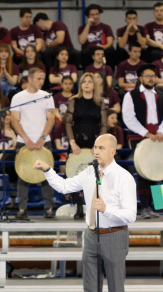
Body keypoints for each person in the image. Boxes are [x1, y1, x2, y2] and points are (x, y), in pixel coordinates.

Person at [33, 133, 136, 292]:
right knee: (91, 291)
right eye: (94, 147)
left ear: (112, 151)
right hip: (91, 236)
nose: (95, 151)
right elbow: (64, 186)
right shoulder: (89, 172)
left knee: (116, 291)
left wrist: (107, 209)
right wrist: (48, 170)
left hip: (115, 235)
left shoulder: (124, 177)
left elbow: (131, 215)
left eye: (100, 148)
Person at [122, 64, 163, 219]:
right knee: (144, 171)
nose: (151, 79)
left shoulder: (162, 96)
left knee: (157, 170)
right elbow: (129, 118)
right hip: (140, 137)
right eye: (148, 76)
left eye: (153, 76)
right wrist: (145, 133)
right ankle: (144, 206)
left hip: (158, 137)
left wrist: (160, 131)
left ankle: (156, 205)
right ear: (141, 78)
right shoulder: (131, 95)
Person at [9, 68, 56, 219]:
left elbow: (51, 118)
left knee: (47, 176)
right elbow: (15, 120)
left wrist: (42, 138)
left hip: (44, 141)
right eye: (38, 78)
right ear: (29, 79)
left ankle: (49, 208)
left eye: (43, 79)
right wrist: (26, 139)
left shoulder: (47, 96)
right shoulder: (18, 97)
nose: (41, 81)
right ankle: (22, 209)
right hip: (24, 141)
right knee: (23, 176)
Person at [63, 72, 107, 218]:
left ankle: (93, 207)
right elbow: (68, 124)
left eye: (89, 81)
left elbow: (104, 125)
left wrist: (99, 144)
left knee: (95, 176)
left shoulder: (100, 103)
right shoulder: (74, 101)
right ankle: (78, 208)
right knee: (75, 174)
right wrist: (72, 142)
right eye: (84, 82)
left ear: (94, 84)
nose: (86, 84)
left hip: (94, 143)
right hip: (77, 142)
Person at [78, 4, 116, 69]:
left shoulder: (106, 27)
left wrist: (103, 47)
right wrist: (88, 25)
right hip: (89, 51)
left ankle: (109, 72)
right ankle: (88, 72)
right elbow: (81, 41)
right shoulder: (82, 28)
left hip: (103, 50)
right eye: (92, 15)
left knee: (110, 51)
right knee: (84, 53)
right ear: (88, 16)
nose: (95, 17)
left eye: (97, 14)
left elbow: (110, 42)